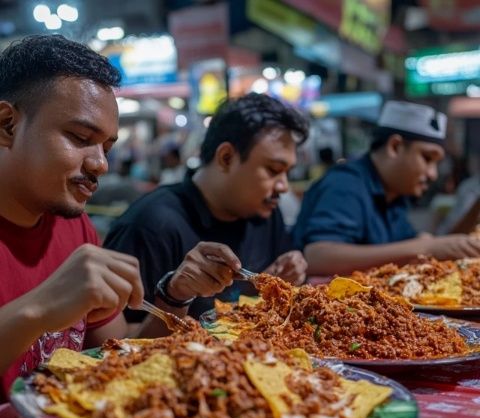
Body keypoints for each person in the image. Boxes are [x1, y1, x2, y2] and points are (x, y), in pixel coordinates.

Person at [0, 34, 238, 397]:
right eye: (80, 137)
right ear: (7, 125)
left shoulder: (74, 226)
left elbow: (123, 357)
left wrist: (175, 295)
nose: (100, 163)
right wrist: (39, 307)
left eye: (107, 146)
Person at [104, 93, 310, 320]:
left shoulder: (266, 214)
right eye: (273, 170)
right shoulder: (150, 225)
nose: (283, 186)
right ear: (226, 157)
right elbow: (113, 342)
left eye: (287, 172)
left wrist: (271, 283)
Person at [293, 100, 480, 276]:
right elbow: (317, 256)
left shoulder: (394, 194)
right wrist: (425, 247)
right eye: (427, 158)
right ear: (395, 147)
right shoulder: (345, 184)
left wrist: (424, 243)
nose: (433, 174)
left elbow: (408, 244)